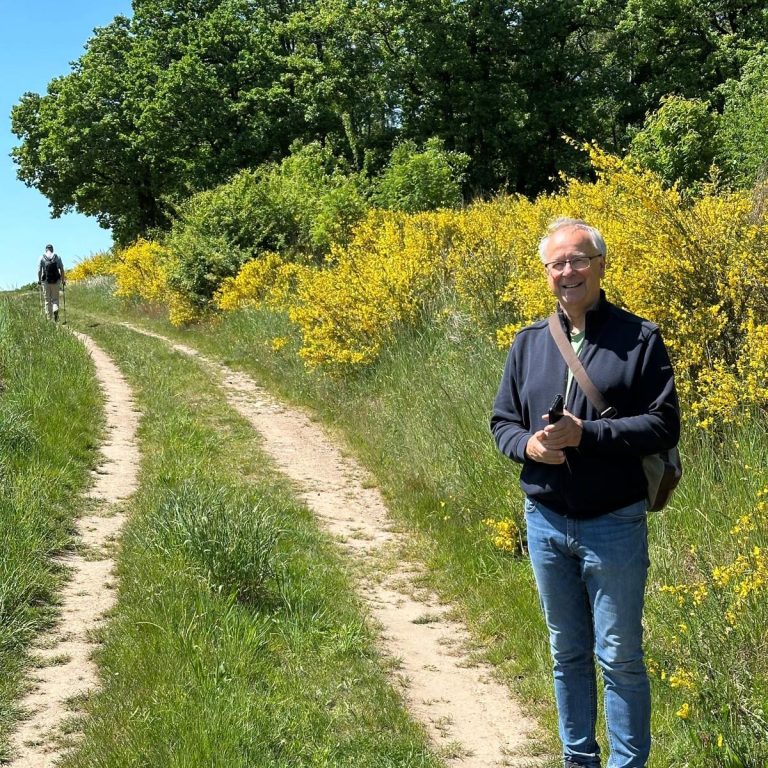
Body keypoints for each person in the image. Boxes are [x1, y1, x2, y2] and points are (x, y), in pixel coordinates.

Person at [491, 218, 680, 768]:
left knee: (618, 655)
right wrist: (528, 447)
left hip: (613, 522)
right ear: (546, 274)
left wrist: (588, 435)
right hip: (546, 519)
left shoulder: (638, 338)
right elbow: (502, 420)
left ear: (600, 266)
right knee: (566, 651)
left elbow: (664, 425)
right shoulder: (528, 342)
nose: (567, 272)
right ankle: (579, 759)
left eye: (578, 260)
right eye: (557, 264)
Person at [38, 244, 66, 322]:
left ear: (46, 250)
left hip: (45, 282)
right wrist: (63, 280)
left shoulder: (41, 258)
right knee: (55, 299)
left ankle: (49, 319)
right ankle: (55, 311)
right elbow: (62, 270)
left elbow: (39, 271)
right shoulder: (57, 257)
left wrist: (39, 281)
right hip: (56, 281)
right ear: (52, 250)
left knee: (47, 301)